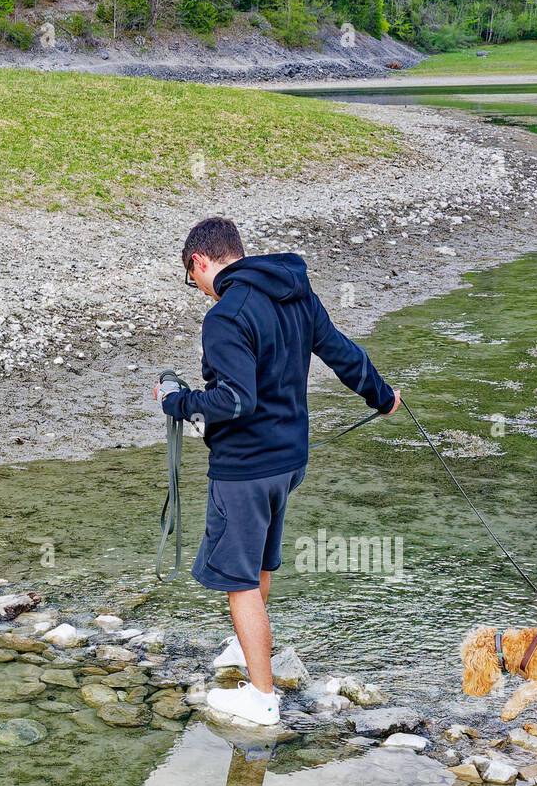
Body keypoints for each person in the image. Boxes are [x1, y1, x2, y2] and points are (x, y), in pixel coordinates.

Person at [155, 216, 400, 727]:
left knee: (239, 580)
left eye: (192, 277)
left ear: (201, 261)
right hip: (289, 461)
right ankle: (247, 652)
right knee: (261, 560)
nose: (199, 289)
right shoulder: (295, 293)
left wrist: (177, 402)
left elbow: (234, 399)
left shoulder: (225, 315)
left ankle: (263, 699)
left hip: (245, 469)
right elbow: (342, 353)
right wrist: (382, 396)